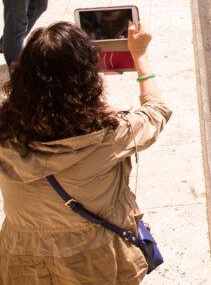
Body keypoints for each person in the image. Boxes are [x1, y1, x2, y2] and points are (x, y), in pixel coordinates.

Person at [0, 20, 170, 283]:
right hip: (92, 259)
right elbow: (156, 111)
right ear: (88, 77)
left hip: (22, 258)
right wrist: (140, 56)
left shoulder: (5, 130)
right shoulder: (109, 136)